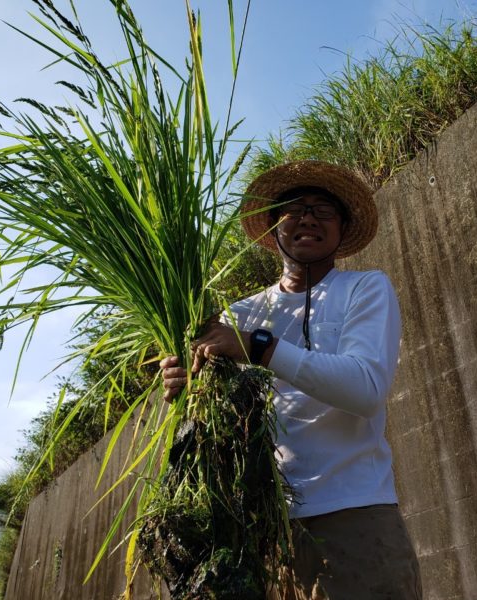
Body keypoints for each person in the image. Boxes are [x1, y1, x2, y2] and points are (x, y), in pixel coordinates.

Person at [160, 160, 422, 599]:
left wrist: (259, 347)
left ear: (341, 229)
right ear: (271, 227)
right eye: (293, 208)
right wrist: (187, 392)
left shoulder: (364, 289)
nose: (307, 218)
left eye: (323, 210)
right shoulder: (238, 314)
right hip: (264, 532)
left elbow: (366, 389)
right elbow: (223, 427)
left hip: (353, 518)